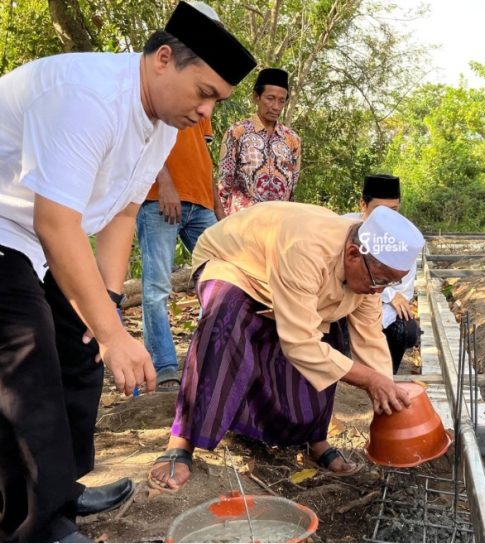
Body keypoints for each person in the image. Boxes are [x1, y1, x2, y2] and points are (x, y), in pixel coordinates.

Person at [0, 1, 256, 541]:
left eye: (218, 101)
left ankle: (60, 489)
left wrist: (108, 310)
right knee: (27, 349)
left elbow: (121, 212)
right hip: (9, 228)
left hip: (38, 236)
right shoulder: (87, 97)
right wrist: (115, 336)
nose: (207, 112)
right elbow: (56, 223)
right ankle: (36, 525)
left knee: (81, 347)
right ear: (163, 59)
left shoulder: (163, 122)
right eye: (204, 93)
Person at [148, 202, 423, 492]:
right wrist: (369, 380)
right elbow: (300, 345)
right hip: (236, 266)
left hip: (289, 278)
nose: (379, 291)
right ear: (353, 254)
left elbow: (370, 338)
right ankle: (181, 442)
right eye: (380, 280)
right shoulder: (306, 248)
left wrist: (387, 393)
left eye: (390, 283)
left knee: (329, 340)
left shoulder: (370, 273)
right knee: (225, 319)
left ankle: (315, 439)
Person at [137, 116, 224, 392]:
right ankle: (164, 367)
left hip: (201, 202)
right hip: (158, 198)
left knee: (222, 280)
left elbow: (202, 152)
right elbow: (143, 136)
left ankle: (204, 359)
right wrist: (164, 182)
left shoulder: (203, 106)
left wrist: (217, 206)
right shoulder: (158, 95)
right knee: (157, 287)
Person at [344, 174, 420, 373]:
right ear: (363, 204)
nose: (387, 219)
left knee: (406, 330)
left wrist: (375, 322)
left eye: (393, 211)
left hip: (377, 307)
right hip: (340, 301)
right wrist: (390, 294)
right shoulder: (344, 227)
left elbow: (402, 294)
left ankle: (386, 375)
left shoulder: (404, 239)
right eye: (380, 211)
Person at [218, 68, 301, 214]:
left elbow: (292, 189)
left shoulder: (292, 139)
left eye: (281, 101)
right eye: (270, 98)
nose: (276, 106)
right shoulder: (237, 132)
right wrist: (222, 221)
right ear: (256, 97)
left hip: (278, 220)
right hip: (243, 220)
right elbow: (225, 182)